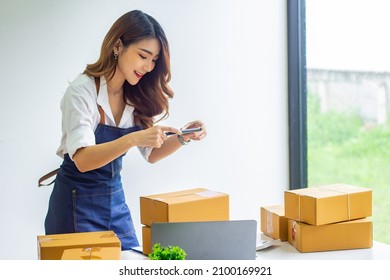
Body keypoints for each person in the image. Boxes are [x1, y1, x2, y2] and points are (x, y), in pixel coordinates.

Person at [44, 10, 207, 250]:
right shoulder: (82, 92)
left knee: (130, 264)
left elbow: (151, 154)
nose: (149, 67)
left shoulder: (136, 94)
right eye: (143, 56)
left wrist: (184, 137)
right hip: (75, 203)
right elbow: (82, 160)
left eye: (154, 60)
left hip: (114, 202)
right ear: (118, 45)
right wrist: (132, 138)